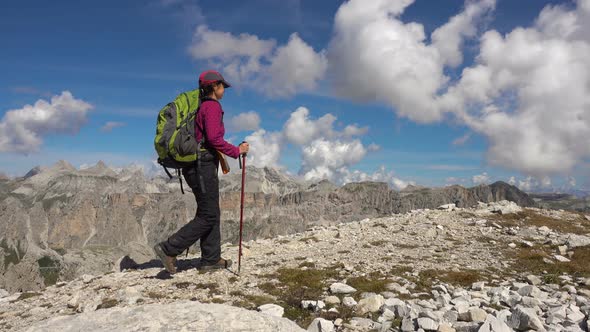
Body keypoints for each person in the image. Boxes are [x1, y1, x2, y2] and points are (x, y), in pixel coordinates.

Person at [154, 70, 249, 274]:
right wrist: (237, 151)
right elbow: (214, 139)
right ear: (214, 87)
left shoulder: (202, 107)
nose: (224, 89)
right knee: (208, 214)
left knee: (211, 211)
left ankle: (210, 259)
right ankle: (169, 249)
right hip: (202, 165)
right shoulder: (212, 107)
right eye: (222, 85)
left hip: (196, 165)